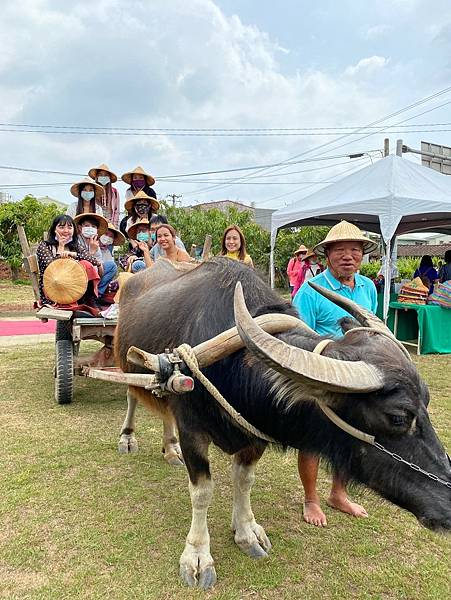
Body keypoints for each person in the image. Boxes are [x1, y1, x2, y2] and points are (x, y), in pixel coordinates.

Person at [293, 220, 378, 527]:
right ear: (327, 255)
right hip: (323, 373)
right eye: (340, 250)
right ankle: (311, 499)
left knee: (351, 436)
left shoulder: (368, 287)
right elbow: (296, 334)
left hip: (360, 374)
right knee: (314, 437)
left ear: (362, 255)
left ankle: (338, 493)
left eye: (355, 250)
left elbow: (372, 330)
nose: (348, 256)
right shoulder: (311, 290)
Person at [36, 214, 102, 307]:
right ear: (54, 229)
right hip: (53, 287)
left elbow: (93, 261)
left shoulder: (75, 246)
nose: (66, 231)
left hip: (76, 288)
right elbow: (53, 269)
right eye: (61, 227)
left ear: (74, 230)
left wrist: (74, 254)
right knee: (84, 264)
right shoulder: (45, 246)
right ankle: (87, 301)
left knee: (85, 264)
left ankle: (89, 299)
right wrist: (61, 246)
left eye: (70, 227)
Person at [74, 213, 118, 301]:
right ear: (80, 227)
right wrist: (92, 253)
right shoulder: (76, 241)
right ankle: (87, 294)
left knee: (111, 266)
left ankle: (97, 294)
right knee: (87, 265)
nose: (90, 228)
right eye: (87, 226)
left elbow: (100, 270)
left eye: (93, 226)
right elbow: (81, 266)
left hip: (95, 274)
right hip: (78, 276)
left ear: (97, 230)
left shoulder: (95, 243)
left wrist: (98, 266)